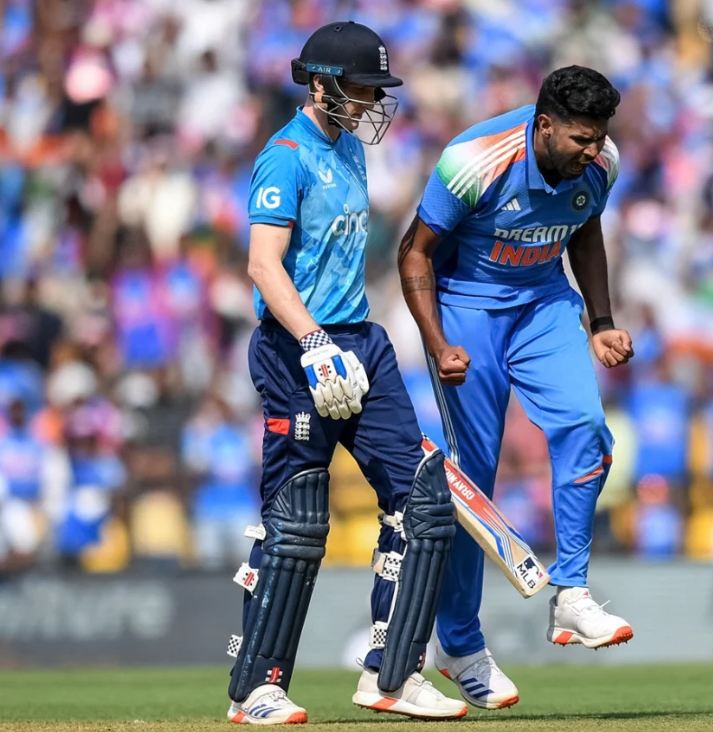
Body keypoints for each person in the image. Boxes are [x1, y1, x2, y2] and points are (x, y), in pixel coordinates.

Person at [226, 21, 466, 724]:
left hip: (362, 339)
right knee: (297, 520)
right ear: (322, 83)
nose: (371, 101)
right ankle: (257, 690)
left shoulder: (351, 152)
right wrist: (311, 342)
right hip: (295, 348)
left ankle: (392, 675)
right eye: (362, 87)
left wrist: (343, 341)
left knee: (423, 505)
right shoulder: (285, 156)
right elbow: (263, 265)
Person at [398, 66, 633, 710]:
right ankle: (459, 644)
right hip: (466, 310)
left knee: (586, 426)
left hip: (544, 306)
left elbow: (583, 229)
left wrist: (602, 321)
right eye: (581, 138)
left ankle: (572, 596)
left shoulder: (601, 162)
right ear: (545, 124)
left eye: (600, 138)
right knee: (473, 482)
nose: (594, 150)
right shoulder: (472, 160)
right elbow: (412, 253)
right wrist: (439, 340)